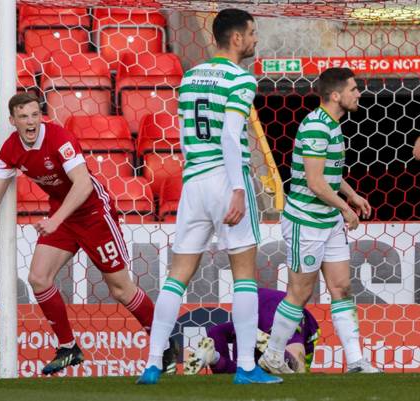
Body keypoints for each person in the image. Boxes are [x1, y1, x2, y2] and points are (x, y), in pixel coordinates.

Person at [0, 92, 178, 376]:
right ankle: (69, 348)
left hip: (93, 214)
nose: (30, 122)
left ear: (41, 116)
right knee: (38, 278)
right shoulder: (10, 150)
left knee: (120, 288)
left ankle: (165, 345)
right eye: (23, 117)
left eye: (34, 115)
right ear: (12, 120)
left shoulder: (60, 139)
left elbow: (83, 186)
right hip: (62, 217)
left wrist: (55, 220)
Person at [137, 8, 281, 385]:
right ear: (236, 38)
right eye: (251, 34)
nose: (254, 40)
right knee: (245, 274)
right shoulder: (239, 78)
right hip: (225, 178)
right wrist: (236, 189)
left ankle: (153, 364)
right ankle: (247, 366)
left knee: (176, 276)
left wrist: (195, 175)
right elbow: (231, 137)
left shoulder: (190, 78)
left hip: (194, 181)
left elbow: (185, 136)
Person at [259, 68, 381, 374]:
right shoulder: (315, 126)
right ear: (336, 95)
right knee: (299, 292)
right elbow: (314, 182)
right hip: (306, 220)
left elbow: (330, 176)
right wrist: (346, 208)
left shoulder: (333, 125)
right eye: (353, 89)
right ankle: (273, 355)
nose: (358, 94)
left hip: (328, 220)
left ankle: (355, 362)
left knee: (342, 287)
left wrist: (351, 195)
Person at [184, 288, 320, 375]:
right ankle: (256, 336)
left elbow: (216, 332)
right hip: (282, 308)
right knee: (296, 369)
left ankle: (214, 358)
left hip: (252, 301)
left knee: (243, 371)